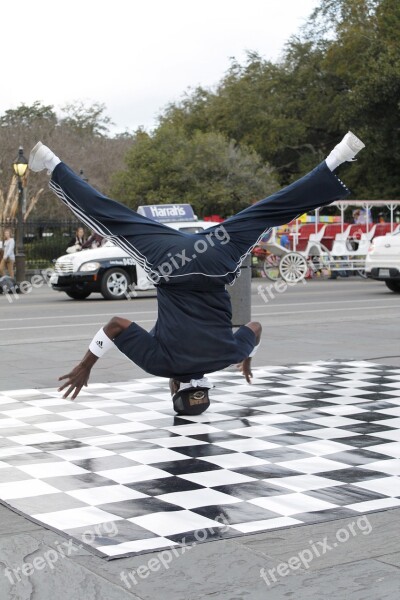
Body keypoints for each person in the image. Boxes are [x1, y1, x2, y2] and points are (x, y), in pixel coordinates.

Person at [28, 132, 365, 415]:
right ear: (176, 386)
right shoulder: (160, 364)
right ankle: (52, 162)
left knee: (263, 214)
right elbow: (116, 325)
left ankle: (336, 159)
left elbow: (255, 328)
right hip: (169, 264)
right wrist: (86, 365)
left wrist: (246, 358)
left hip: (216, 257)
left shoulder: (227, 355)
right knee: (112, 217)